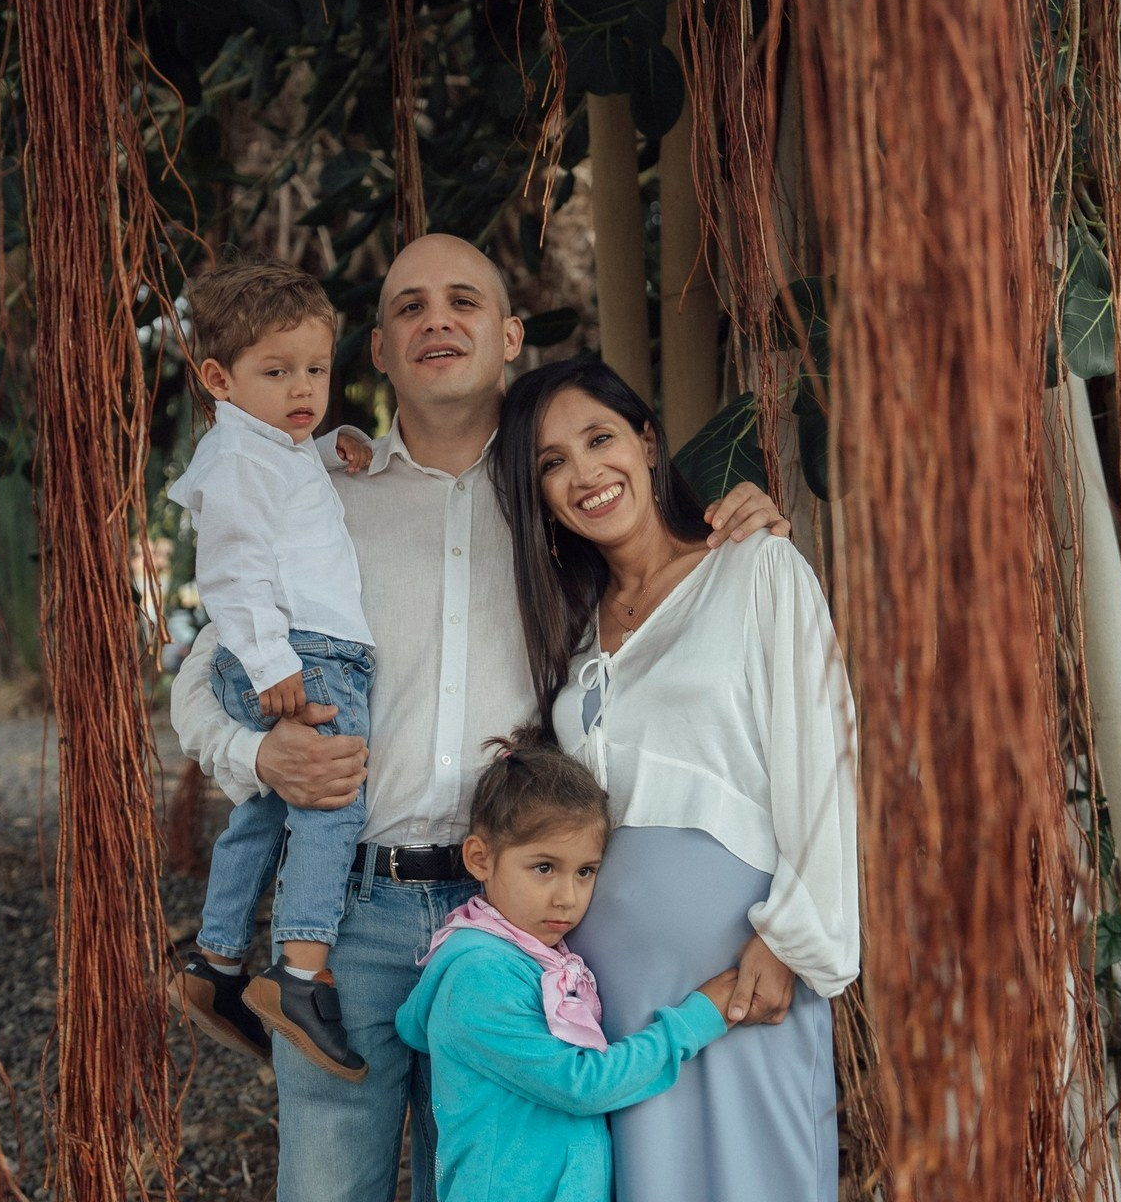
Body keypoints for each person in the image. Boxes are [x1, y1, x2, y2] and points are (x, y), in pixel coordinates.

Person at [170, 232, 790, 1202]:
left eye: (463, 300)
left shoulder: (567, 503)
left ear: (509, 335)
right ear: (378, 350)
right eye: (408, 306)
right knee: (327, 1184)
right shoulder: (316, 492)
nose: (437, 320)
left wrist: (736, 520)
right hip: (347, 913)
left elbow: (661, 581)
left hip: (514, 919)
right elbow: (202, 677)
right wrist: (259, 754)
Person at [489, 356, 860, 1202]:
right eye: (552, 463)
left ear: (648, 444)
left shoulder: (755, 569)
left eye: (600, 439)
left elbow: (824, 762)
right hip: (612, 1001)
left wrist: (792, 939)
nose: (585, 473)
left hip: (741, 972)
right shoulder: (570, 633)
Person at [166, 258, 376, 1080]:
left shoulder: (268, 448)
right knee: (332, 804)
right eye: (277, 371)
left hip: (301, 650)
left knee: (264, 811)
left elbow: (284, 495)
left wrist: (328, 447)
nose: (303, 388)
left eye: (315, 370)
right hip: (304, 655)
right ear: (219, 379)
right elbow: (233, 570)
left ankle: (218, 963)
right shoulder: (240, 460)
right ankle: (299, 973)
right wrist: (270, 663)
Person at [396, 734, 740, 1202]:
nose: (567, 898)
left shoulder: (542, 958)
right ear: (480, 859)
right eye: (544, 868)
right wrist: (697, 1020)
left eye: (585, 871)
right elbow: (581, 1086)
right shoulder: (478, 976)